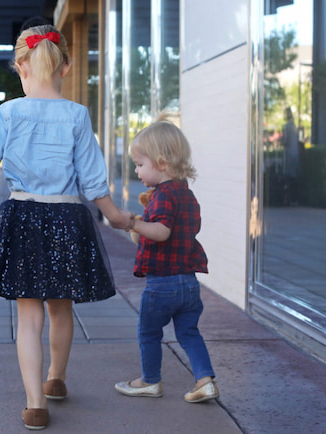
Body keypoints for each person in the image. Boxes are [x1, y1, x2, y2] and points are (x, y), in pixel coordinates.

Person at [0, 25, 132, 430]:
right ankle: (56, 380)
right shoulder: (78, 115)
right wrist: (116, 215)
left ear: (19, 66)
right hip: (67, 216)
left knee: (29, 316)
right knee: (61, 307)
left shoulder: (9, 112)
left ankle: (34, 404)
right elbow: (94, 179)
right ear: (66, 66)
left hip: (24, 215)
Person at [114, 114, 219, 404]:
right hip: (189, 284)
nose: (136, 171)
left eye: (139, 164)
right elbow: (172, 231)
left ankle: (149, 381)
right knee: (188, 332)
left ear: (161, 162)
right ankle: (204, 380)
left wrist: (132, 222)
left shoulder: (162, 196)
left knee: (148, 332)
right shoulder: (186, 195)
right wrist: (142, 221)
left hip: (162, 285)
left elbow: (160, 233)